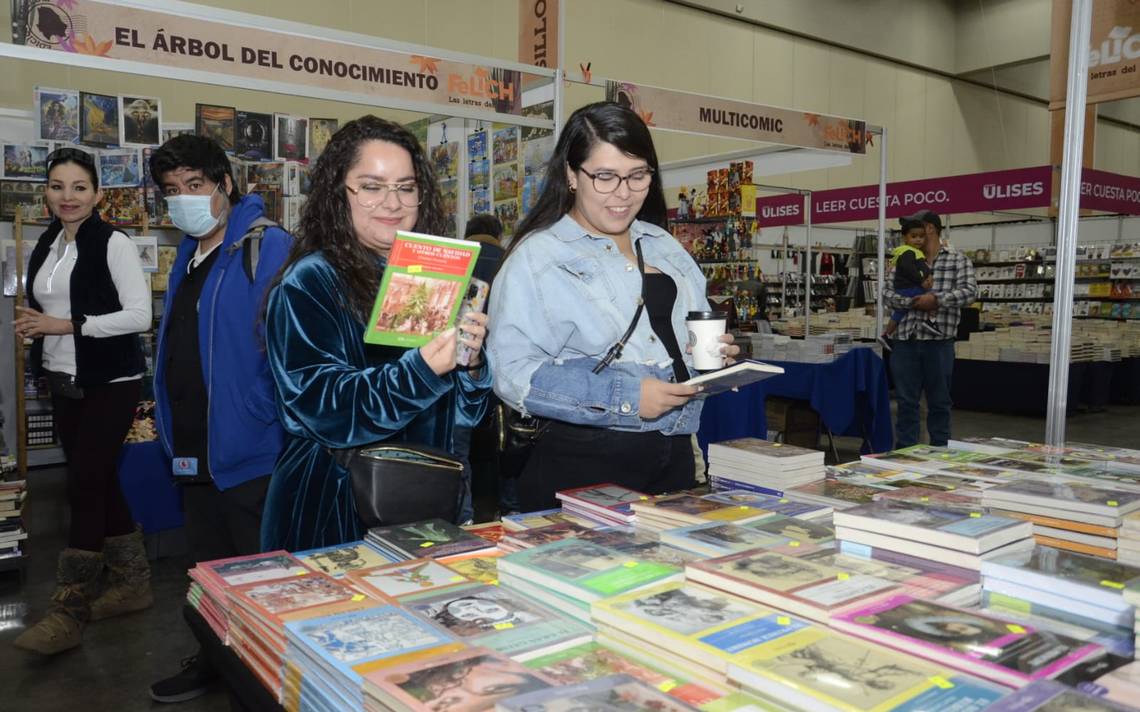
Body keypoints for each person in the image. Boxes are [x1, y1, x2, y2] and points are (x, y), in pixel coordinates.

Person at [487, 102, 737, 512]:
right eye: (605, 177)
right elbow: (511, 373)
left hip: (675, 455)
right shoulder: (538, 258)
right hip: (582, 467)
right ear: (571, 174)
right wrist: (625, 396)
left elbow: (680, 334)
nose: (623, 194)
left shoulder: (663, 246)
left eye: (637, 176)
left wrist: (715, 357)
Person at [261, 115, 491, 552]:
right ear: (338, 192)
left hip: (423, 494)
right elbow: (325, 408)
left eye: (406, 187)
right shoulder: (310, 281)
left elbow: (462, 419)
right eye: (371, 186)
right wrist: (422, 370)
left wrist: (471, 365)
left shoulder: (428, 273)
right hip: (337, 503)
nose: (393, 202)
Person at [146, 135, 292, 703]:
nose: (183, 199)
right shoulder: (189, 251)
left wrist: (261, 412)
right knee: (207, 569)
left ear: (225, 185)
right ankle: (215, 659)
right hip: (192, 441)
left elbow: (285, 344)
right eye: (172, 190)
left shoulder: (267, 245)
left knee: (259, 572)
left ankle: (269, 677)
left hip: (250, 446)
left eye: (195, 185)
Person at [13, 147, 151, 656]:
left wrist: (66, 325)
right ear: (45, 192)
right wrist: (39, 326)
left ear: (96, 193)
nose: (66, 197)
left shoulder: (114, 241)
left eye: (78, 187)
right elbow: (48, 306)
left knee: (84, 482)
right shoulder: (47, 241)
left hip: (111, 380)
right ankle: (133, 584)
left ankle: (69, 606)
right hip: (62, 377)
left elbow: (140, 316)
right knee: (98, 477)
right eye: (56, 186)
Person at [883, 209, 977, 448]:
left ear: (929, 229)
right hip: (905, 341)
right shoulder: (904, 258)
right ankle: (906, 454)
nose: (910, 236)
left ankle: (939, 455)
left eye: (915, 230)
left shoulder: (958, 260)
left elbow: (969, 292)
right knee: (906, 403)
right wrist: (914, 302)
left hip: (939, 343)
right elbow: (885, 293)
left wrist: (937, 300)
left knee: (939, 403)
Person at [451, 213, 505, 523]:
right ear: (497, 233)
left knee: (458, 454)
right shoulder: (509, 259)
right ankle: (507, 508)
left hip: (454, 367)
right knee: (503, 449)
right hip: (494, 368)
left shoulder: (454, 258)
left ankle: (466, 517)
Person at [878, 216, 940, 350]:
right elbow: (909, 269)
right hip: (908, 288)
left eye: (921, 236)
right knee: (934, 297)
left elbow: (921, 266)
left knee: (899, 312)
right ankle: (931, 321)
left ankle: (886, 334)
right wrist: (922, 280)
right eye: (914, 236)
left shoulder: (913, 252)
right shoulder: (908, 252)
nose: (918, 239)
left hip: (904, 289)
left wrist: (928, 274)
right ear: (905, 237)